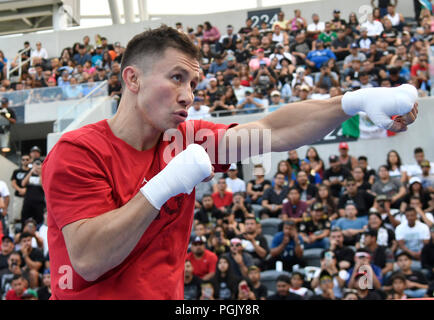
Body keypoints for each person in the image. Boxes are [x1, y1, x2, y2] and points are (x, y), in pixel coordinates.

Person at [41, 26, 419, 299]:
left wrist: (352, 102)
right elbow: (89, 259)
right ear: (132, 78)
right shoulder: (78, 152)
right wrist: (162, 186)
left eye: (193, 83)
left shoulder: (187, 139)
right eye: (177, 78)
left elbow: (273, 130)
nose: (188, 95)